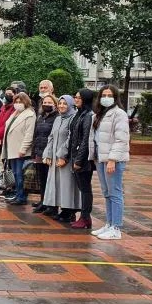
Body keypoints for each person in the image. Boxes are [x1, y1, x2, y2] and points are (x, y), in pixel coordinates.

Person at [91, 85, 130, 240]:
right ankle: (109, 223)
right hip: (100, 159)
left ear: (115, 98)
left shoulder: (119, 114)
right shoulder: (99, 115)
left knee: (115, 193)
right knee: (107, 193)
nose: (106, 98)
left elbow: (121, 139)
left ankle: (116, 228)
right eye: (103, 95)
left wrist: (112, 159)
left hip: (113, 160)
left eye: (109, 95)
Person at [41, 94, 80, 220]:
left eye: (65, 104)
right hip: (54, 157)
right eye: (60, 103)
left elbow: (71, 138)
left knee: (66, 184)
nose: (62, 106)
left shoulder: (73, 118)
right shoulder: (58, 119)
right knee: (55, 183)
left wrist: (62, 155)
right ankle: (55, 206)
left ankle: (68, 211)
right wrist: (48, 154)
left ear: (70, 105)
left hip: (66, 158)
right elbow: (51, 137)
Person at [1, 92, 36, 205]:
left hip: (21, 150)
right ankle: (17, 194)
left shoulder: (30, 114)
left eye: (20, 101)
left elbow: (29, 134)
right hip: (12, 149)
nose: (18, 103)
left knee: (21, 175)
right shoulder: (15, 113)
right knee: (15, 174)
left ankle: (22, 197)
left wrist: (23, 149)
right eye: (16, 101)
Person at [68, 89, 96, 230]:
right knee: (82, 188)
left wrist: (78, 160)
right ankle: (85, 218)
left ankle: (85, 217)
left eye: (79, 97)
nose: (76, 99)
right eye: (75, 97)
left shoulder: (89, 116)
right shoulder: (79, 114)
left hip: (83, 159)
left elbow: (86, 140)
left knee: (85, 189)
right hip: (75, 156)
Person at [31, 95, 59, 214]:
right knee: (41, 179)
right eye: (45, 102)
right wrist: (34, 151)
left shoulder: (56, 117)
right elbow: (36, 134)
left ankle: (50, 205)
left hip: (49, 153)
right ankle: (43, 201)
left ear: (55, 104)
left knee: (49, 180)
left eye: (49, 102)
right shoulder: (41, 117)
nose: (46, 104)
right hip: (39, 152)